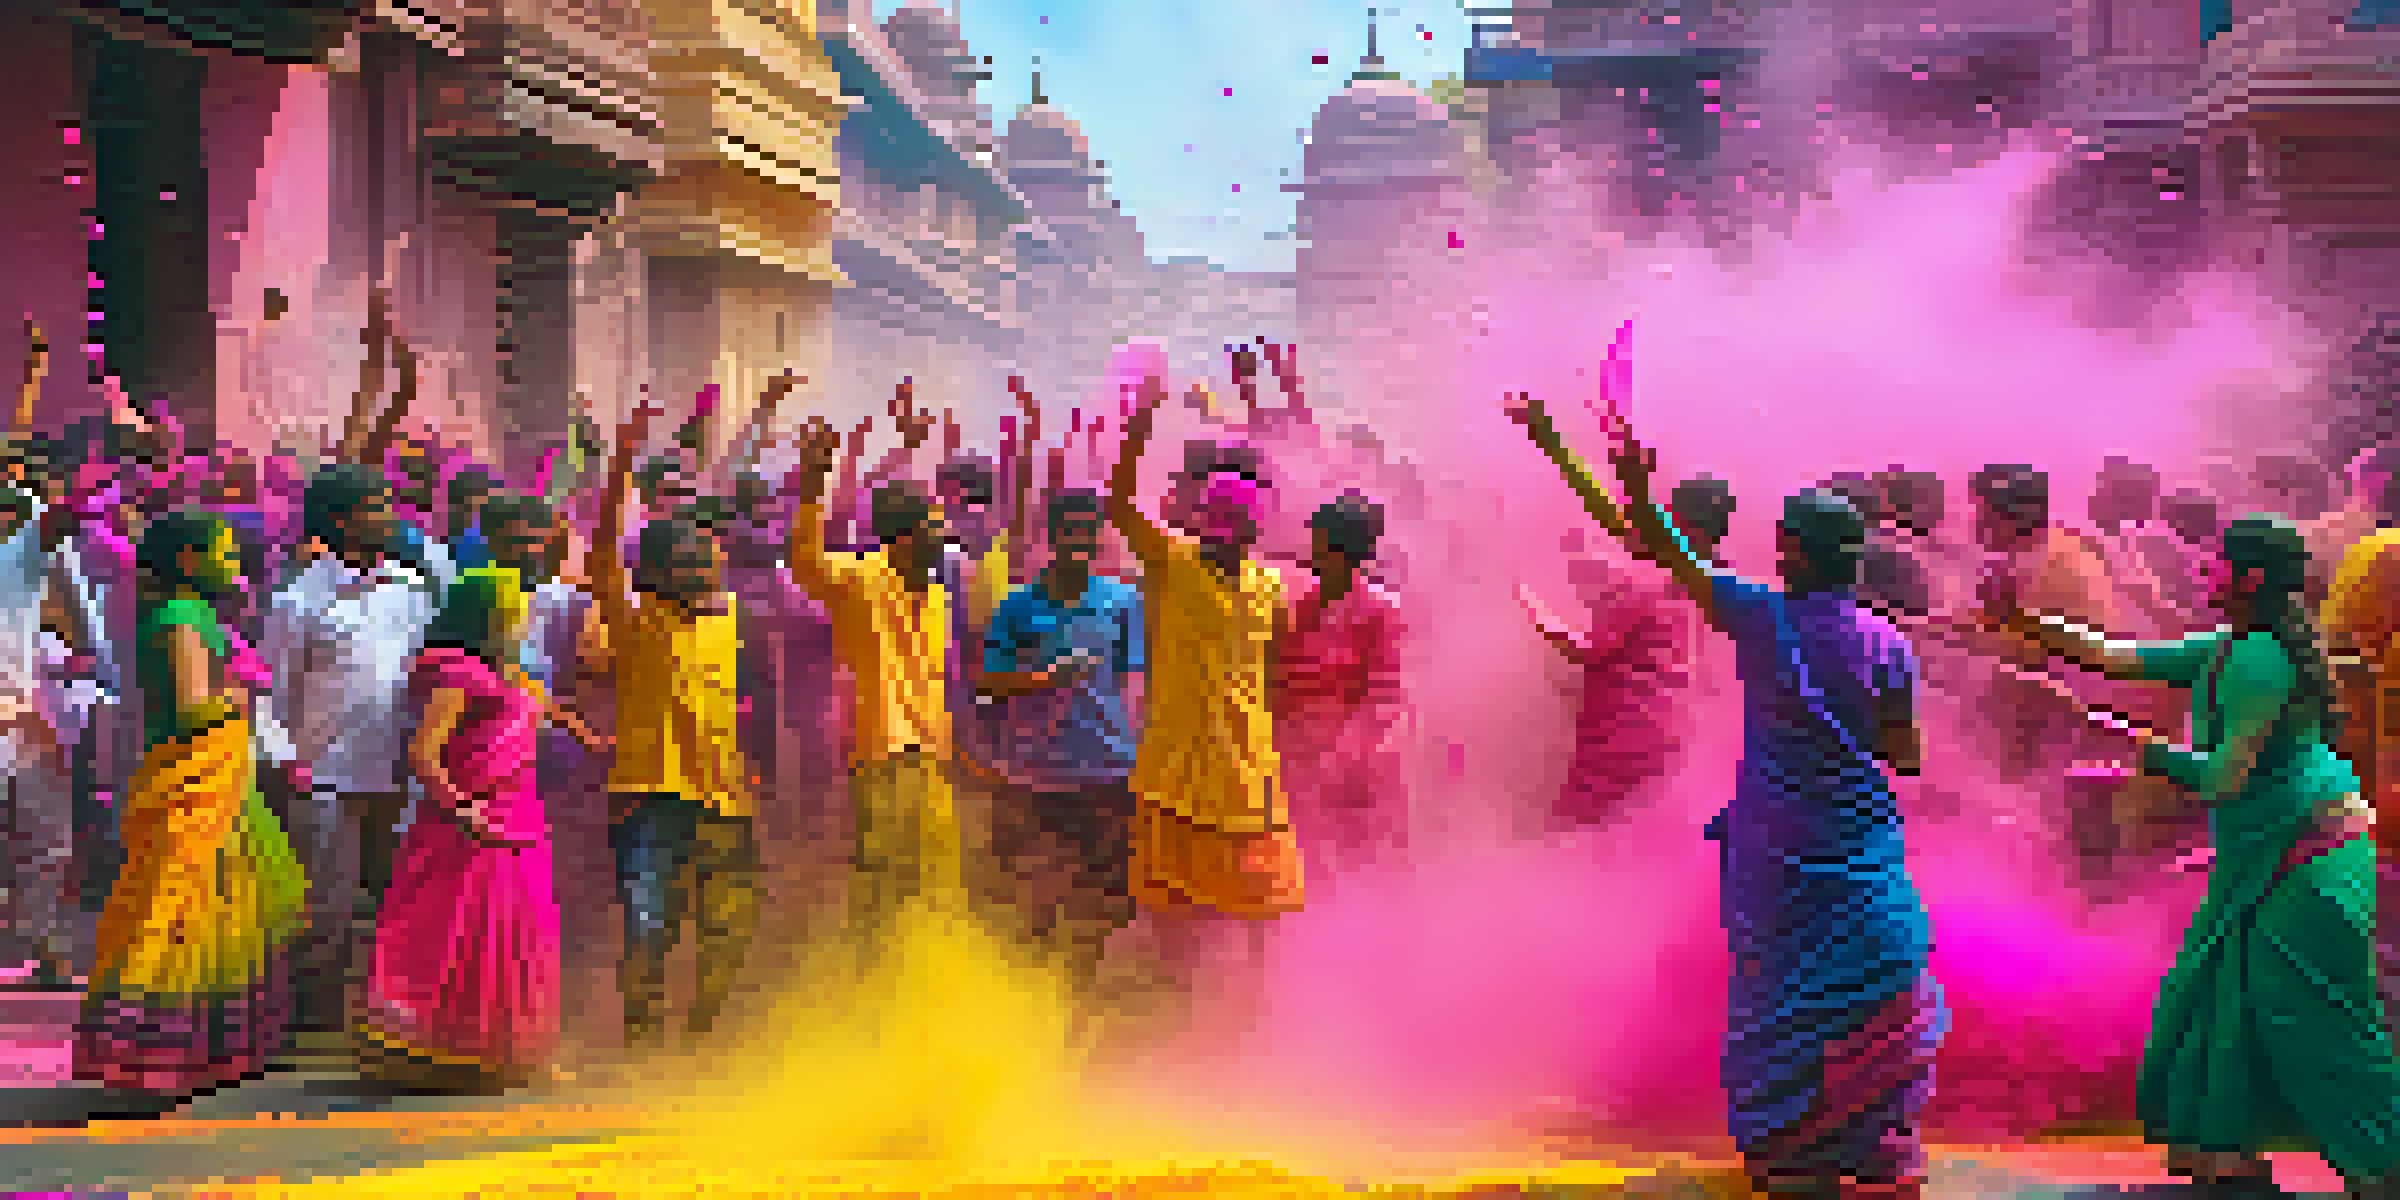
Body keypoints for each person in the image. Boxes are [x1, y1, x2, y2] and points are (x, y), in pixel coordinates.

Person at [1508, 391, 1944, 1200]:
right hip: (1865, 849)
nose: (1773, 555)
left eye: (1783, 545)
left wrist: (1633, 484)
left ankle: (1793, 1150)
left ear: (1800, 556)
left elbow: (1668, 551)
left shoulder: (1759, 615)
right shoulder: (1888, 642)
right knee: (1873, 985)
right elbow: (1906, 756)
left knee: (1781, 991)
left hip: (1780, 852)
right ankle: (1880, 1146)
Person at [1995, 516, 2400, 1197]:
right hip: (2271, 858)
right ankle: (2231, 1164)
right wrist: (2022, 622)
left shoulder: (2259, 660)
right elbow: (2116, 656)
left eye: (2215, 563)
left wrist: (2125, 740)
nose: (2200, 571)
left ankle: (2382, 1168)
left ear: (2252, 578)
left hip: (2308, 863)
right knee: (2219, 998)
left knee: (2314, 1020)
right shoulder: (2225, 647)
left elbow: (2222, 780)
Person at [76, 509, 308, 1094]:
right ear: (187, 562)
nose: (234, 563)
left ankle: (209, 1052)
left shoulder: (199, 613)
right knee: (181, 916)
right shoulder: (185, 613)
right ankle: (153, 1057)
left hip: (220, 780)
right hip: (193, 778)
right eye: (224, 553)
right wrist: (243, 688)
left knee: (223, 913)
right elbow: (192, 706)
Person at [359, 567, 600, 1093]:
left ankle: (517, 1051)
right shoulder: (456, 673)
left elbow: (522, 703)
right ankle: (444, 1053)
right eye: (512, 611)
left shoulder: (503, 670)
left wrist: (573, 724)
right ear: (485, 617)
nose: (523, 619)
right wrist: (462, 810)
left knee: (521, 935)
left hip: (518, 820)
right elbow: (424, 753)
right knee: (458, 935)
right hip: (468, 825)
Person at [1108, 371, 1303, 989]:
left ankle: (1256, 1003)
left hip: (1246, 769)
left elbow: (1270, 672)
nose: (1222, 538)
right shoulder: (1172, 561)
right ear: (1198, 524)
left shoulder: (1271, 586)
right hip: (1175, 766)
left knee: (1261, 907)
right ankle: (1176, 1000)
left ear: (1252, 531)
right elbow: (1118, 508)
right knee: (1174, 909)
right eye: (1213, 527)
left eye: (1235, 528)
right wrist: (1137, 432)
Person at [586, 395, 757, 1052]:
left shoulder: (729, 618)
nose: (696, 571)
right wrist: (622, 463)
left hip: (725, 794)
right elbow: (603, 555)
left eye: (702, 561)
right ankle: (643, 1032)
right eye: (680, 564)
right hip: (652, 797)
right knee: (649, 921)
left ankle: (705, 1027)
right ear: (651, 574)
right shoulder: (634, 625)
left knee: (732, 922)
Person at [261, 461, 443, 1041]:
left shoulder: (413, 591)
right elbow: (269, 692)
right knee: (325, 906)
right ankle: (310, 1021)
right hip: (325, 775)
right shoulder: (300, 599)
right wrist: (288, 762)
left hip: (399, 773)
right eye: (375, 507)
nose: (389, 516)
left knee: (394, 899)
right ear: (340, 523)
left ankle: (379, 1015)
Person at [786, 418, 961, 970]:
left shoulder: (935, 594)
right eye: (935, 528)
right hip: (881, 755)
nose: (945, 537)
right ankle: (872, 974)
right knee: (881, 871)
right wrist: (813, 483)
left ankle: (923, 970)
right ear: (904, 536)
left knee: (937, 873)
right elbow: (805, 563)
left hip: (929, 757)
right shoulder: (860, 578)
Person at [978, 489, 1146, 988]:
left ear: (1099, 537)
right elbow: (988, 681)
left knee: (1109, 893)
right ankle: (1038, 991)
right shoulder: (1017, 605)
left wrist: (1138, 749)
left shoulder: (1122, 600)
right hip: (1036, 772)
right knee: (1034, 890)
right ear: (1050, 537)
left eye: (1087, 530)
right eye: (1068, 529)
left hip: (1107, 767)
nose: (1078, 539)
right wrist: (1042, 677)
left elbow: (1133, 679)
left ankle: (1083, 986)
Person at [1277, 492, 1412, 877]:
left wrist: (1342, 756)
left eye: (1320, 545)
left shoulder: (1380, 610)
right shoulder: (1301, 605)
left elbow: (1384, 694)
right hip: (1300, 757)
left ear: (1347, 552)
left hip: (1356, 763)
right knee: (1309, 863)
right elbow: (1282, 678)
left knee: (1361, 861)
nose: (1311, 554)